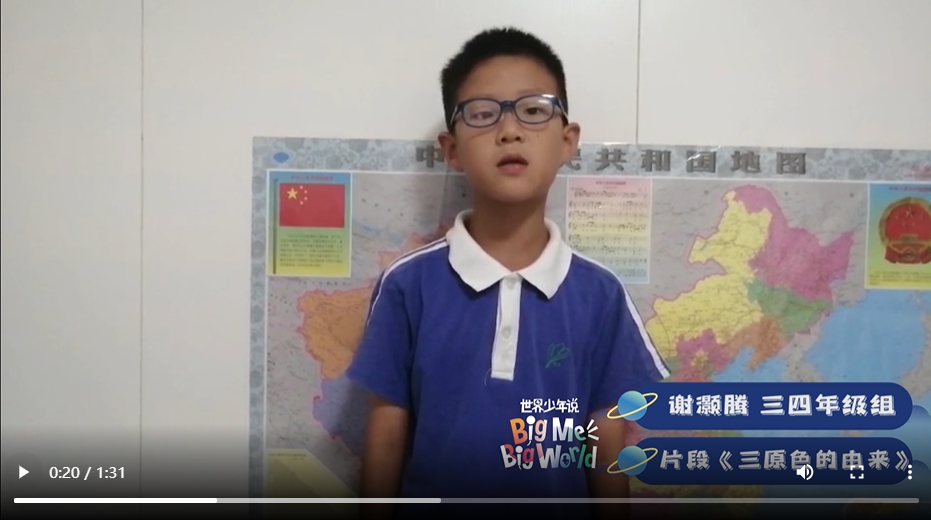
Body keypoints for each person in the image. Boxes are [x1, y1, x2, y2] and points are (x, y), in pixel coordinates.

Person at [347, 27, 670, 519]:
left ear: (567, 141)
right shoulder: (409, 285)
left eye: (533, 110)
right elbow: (386, 437)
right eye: (482, 113)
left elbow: (605, 443)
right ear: (452, 149)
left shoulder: (600, 294)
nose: (510, 130)